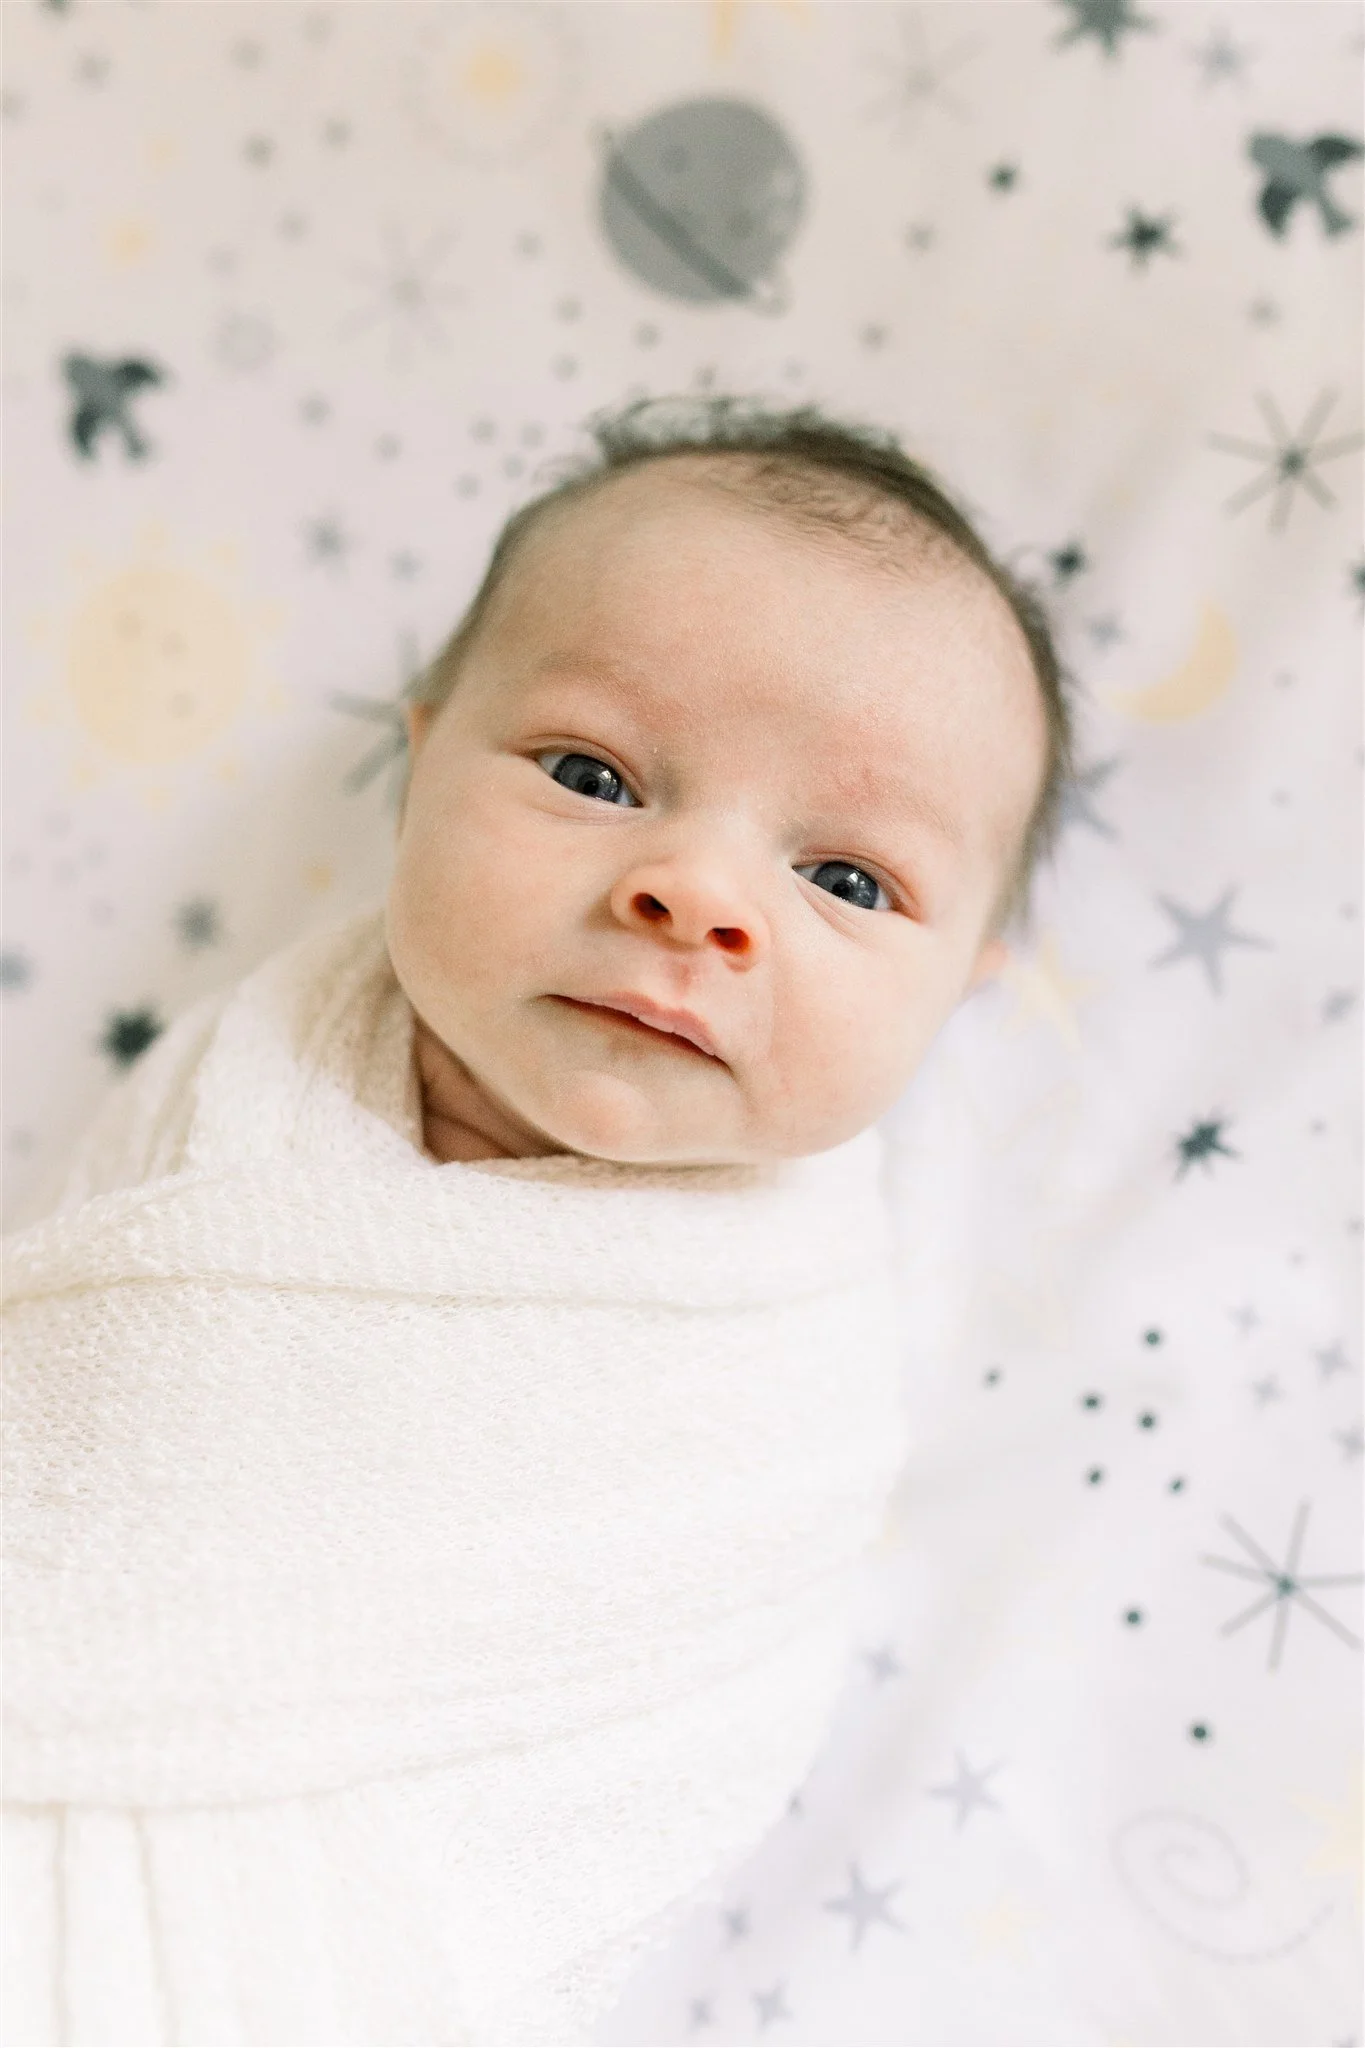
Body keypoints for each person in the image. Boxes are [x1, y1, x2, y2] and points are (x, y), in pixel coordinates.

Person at [1, 396, 1073, 2047]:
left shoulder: (784, 1375)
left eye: (847, 880)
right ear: (420, 761)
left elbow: (647, 1759)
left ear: (965, 985)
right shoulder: (252, 1083)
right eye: (593, 773)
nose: (698, 893)